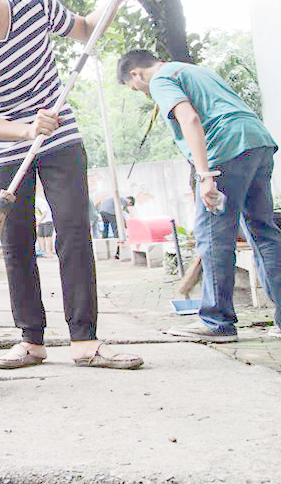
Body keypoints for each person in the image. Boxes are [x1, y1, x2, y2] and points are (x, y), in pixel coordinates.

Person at [0, 0, 143, 369]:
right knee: (16, 243)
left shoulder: (37, 5)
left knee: (72, 231)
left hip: (61, 137)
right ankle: (31, 340)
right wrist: (26, 130)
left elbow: (87, 29)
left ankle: (85, 341)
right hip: (7, 147)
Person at [117, 49, 281, 341]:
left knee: (214, 236)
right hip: (257, 141)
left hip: (225, 148)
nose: (142, 92)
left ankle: (217, 322)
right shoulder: (192, 70)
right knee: (264, 232)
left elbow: (189, 119)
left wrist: (205, 175)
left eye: (135, 88)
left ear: (136, 74)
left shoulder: (160, 79)